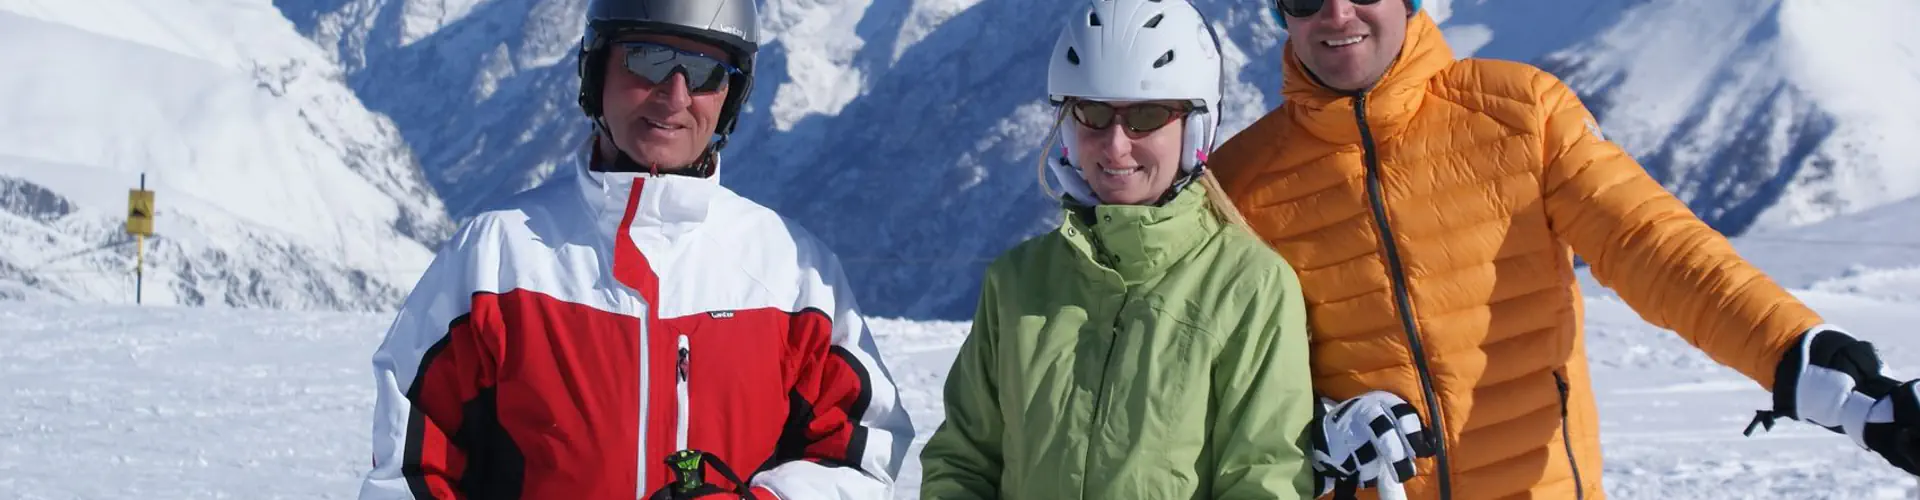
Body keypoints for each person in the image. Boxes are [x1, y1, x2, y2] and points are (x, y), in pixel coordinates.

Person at [1210, 0, 1920, 498]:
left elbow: (1657, 247)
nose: (1338, 15)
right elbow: (1220, 373)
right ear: (1282, 12)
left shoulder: (1520, 115)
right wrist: (1312, 429)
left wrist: (1807, 363)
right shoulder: (1241, 183)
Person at [357, 0, 913, 498]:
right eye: (647, 59)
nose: (674, 96)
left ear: (730, 97)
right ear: (596, 72)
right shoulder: (496, 259)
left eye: (704, 73)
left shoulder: (792, 270)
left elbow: (863, 455)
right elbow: (409, 466)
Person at [917, 0, 1317, 498]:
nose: (1115, 145)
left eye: (1147, 117)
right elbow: (962, 461)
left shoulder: (1246, 285)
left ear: (1194, 129)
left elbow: (1264, 478)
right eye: (1094, 113)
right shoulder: (1017, 282)